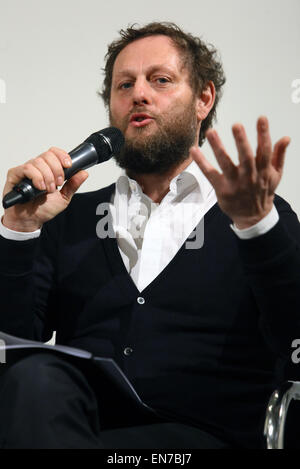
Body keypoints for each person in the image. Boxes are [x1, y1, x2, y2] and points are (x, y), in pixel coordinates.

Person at [0, 21, 299, 449]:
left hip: (201, 439)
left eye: (160, 80)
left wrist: (258, 227)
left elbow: (294, 344)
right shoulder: (70, 216)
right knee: (33, 378)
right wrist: (20, 230)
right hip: (78, 427)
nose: (138, 93)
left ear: (203, 99)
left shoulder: (256, 213)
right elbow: (11, 350)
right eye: (124, 85)